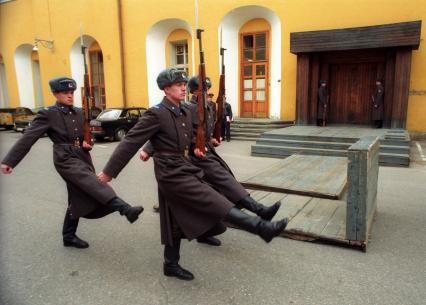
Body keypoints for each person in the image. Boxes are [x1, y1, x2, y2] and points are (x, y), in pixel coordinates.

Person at [98, 68, 288, 281]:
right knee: (212, 199)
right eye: (177, 85)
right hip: (170, 172)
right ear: (165, 88)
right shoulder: (156, 113)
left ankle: (170, 263)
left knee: (173, 219)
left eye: (183, 83)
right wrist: (108, 173)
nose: (182, 87)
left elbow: (189, 137)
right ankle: (262, 227)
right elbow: (130, 142)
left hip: (185, 165)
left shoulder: (184, 111)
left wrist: (197, 147)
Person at [1, 77, 144, 249]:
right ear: (55, 93)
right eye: (65, 93)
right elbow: (28, 138)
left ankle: (68, 235)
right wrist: (10, 161)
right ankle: (125, 209)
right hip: (64, 157)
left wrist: (88, 143)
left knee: (76, 196)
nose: (70, 96)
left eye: (71, 92)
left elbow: (86, 137)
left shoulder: (79, 111)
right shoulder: (49, 114)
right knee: (91, 183)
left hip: (82, 156)